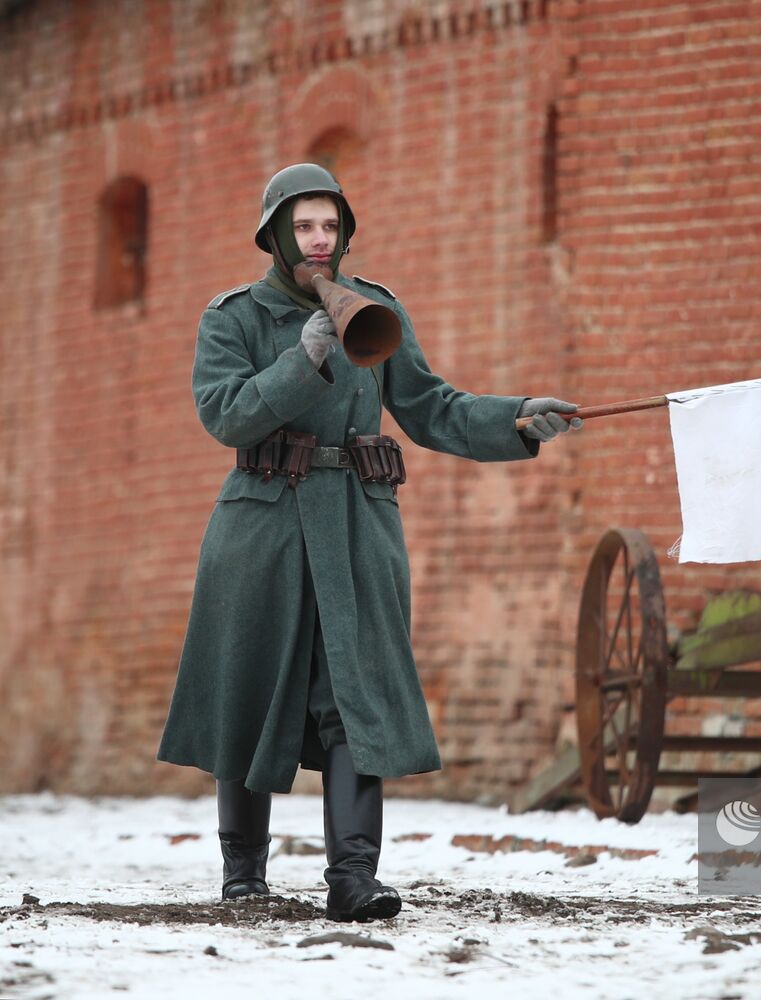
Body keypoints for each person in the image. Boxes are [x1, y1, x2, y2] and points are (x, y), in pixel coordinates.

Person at [156, 163, 580, 922]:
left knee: (356, 698)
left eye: (330, 226)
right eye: (304, 226)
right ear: (277, 233)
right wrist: (304, 358)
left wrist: (517, 419)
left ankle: (354, 879)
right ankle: (243, 874)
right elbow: (226, 416)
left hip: (357, 525)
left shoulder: (377, 309)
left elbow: (427, 405)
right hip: (262, 531)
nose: (319, 241)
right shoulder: (234, 317)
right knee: (249, 692)